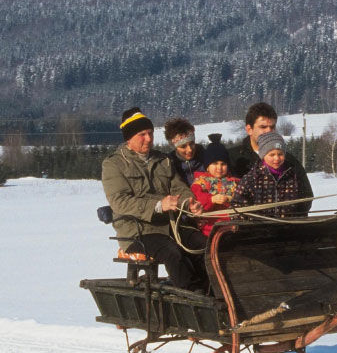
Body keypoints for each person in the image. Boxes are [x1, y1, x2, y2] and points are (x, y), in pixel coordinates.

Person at [102, 107, 207, 292]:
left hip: (169, 226)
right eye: (142, 134)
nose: (149, 139)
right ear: (129, 138)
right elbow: (120, 201)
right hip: (137, 232)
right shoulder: (114, 164)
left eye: (150, 133)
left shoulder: (162, 160)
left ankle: (213, 290)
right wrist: (158, 205)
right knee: (172, 253)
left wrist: (189, 203)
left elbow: (179, 188)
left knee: (203, 245)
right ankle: (193, 296)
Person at [227, 103, 312, 205]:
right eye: (263, 127)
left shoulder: (288, 161)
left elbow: (306, 197)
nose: (269, 131)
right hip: (247, 219)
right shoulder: (232, 158)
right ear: (249, 129)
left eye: (272, 127)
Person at [231, 131, 313, 218]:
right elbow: (237, 205)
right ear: (263, 155)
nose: (276, 158)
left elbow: (306, 199)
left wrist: (298, 218)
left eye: (280, 154)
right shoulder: (251, 178)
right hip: (259, 228)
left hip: (289, 227)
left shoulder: (294, 176)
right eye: (272, 155)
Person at [190, 134, 240, 237]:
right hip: (210, 228)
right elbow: (197, 198)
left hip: (233, 226)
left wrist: (230, 199)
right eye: (215, 164)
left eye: (223, 164)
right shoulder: (201, 183)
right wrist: (211, 199)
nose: (219, 168)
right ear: (207, 167)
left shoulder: (235, 182)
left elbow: (243, 198)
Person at [164, 118, 204, 186]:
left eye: (192, 143)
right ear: (175, 147)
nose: (190, 150)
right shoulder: (170, 164)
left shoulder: (205, 157)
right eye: (183, 146)